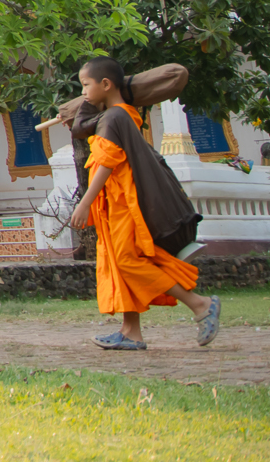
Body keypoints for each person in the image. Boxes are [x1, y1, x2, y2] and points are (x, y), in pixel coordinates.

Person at [68, 57, 221, 351]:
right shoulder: (117, 115)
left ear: (106, 84)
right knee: (126, 263)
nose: (83, 92)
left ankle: (200, 304)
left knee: (128, 262)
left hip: (125, 206)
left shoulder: (114, 118)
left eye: (86, 85)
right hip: (115, 206)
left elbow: (107, 164)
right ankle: (131, 333)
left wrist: (84, 202)